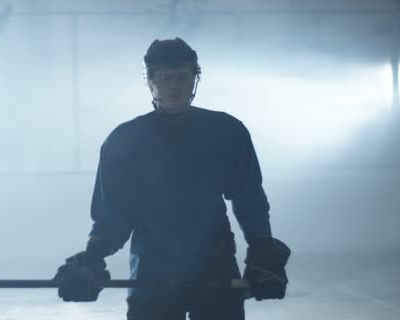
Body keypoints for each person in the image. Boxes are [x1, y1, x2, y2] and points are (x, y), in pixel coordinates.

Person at [53, 37, 291, 320]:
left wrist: (262, 246)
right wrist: (93, 256)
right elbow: (113, 214)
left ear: (194, 79)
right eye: (165, 78)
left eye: (182, 77)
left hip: (214, 264)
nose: (174, 85)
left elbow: (248, 196)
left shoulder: (227, 132)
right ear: (150, 81)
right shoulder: (124, 141)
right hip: (153, 270)